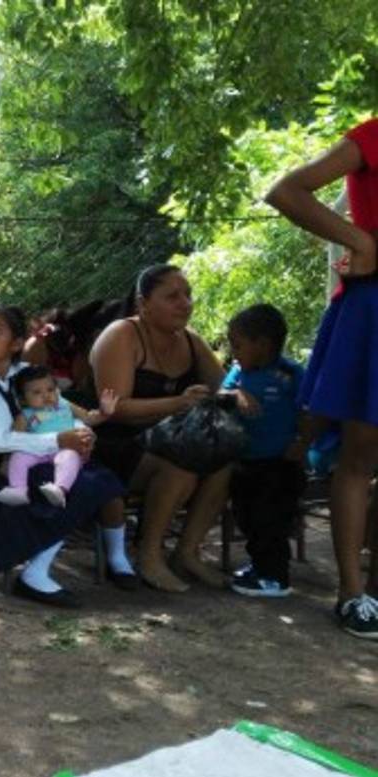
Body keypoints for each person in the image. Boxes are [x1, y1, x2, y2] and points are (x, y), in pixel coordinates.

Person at [265, 116, 378, 639]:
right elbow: (286, 191)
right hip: (372, 310)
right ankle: (352, 595)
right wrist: (360, 241)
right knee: (359, 457)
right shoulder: (373, 134)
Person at [0, 306, 136, 606]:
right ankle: (34, 574)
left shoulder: (28, 374)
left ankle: (117, 558)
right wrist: (59, 440)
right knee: (76, 486)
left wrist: (81, 433)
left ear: (16, 344)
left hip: (42, 457)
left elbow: (60, 411)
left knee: (103, 479)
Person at [89, 264, 232, 593]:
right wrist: (178, 403)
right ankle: (149, 555)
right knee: (180, 465)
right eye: (172, 296)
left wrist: (241, 393)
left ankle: (187, 553)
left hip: (169, 442)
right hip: (112, 446)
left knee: (224, 463)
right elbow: (115, 410)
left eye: (188, 295)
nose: (185, 303)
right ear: (143, 303)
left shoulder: (191, 340)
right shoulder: (121, 335)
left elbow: (224, 385)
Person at [220, 305, 310, 598]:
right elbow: (220, 394)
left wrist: (303, 442)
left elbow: (309, 411)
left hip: (280, 465)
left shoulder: (290, 374)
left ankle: (275, 578)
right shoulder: (238, 373)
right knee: (246, 516)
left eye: (237, 345)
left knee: (271, 521)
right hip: (246, 462)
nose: (233, 352)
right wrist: (237, 393)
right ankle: (260, 568)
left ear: (263, 345)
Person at [0, 366, 119, 508]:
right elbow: (14, 440)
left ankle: (59, 489)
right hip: (36, 451)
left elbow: (88, 417)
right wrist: (6, 460)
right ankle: (18, 489)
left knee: (69, 457)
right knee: (18, 456)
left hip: (66, 447)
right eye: (37, 392)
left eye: (50, 389)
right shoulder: (25, 416)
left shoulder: (64, 405)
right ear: (22, 399)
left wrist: (103, 412)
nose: (46, 395)